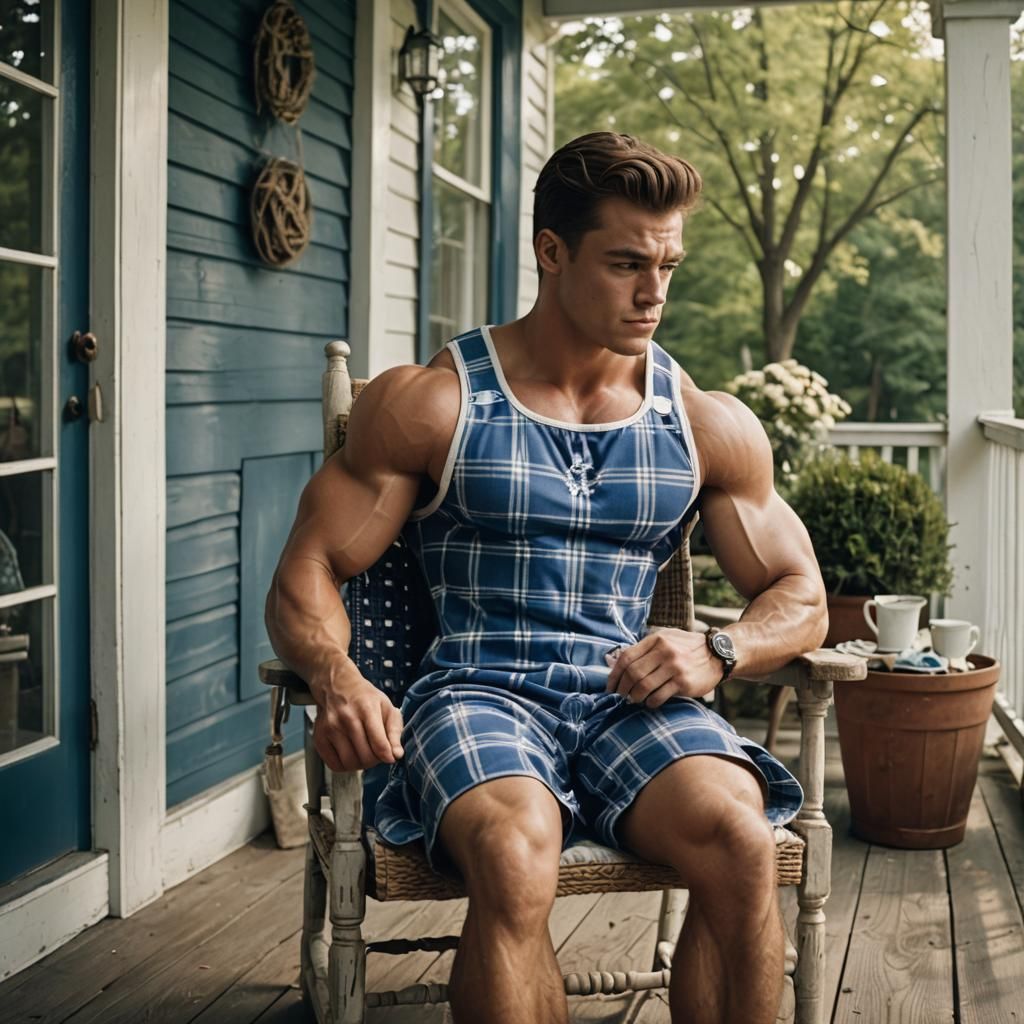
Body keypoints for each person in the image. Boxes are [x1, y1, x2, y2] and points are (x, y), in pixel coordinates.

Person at [265, 131, 828, 1024]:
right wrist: (337, 677)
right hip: (479, 693)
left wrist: (722, 647)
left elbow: (803, 593)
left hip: (627, 696)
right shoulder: (434, 401)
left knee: (740, 838)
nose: (654, 293)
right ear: (552, 251)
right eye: (627, 263)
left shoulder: (704, 421)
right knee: (515, 852)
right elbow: (310, 567)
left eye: (669, 265)